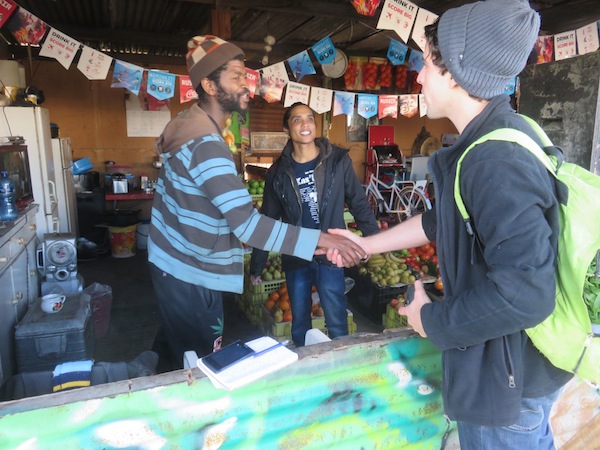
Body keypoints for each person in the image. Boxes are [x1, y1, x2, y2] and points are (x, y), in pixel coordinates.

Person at [327, 1, 572, 448]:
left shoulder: (497, 159)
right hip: (512, 367)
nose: (417, 76)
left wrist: (431, 319)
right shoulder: (501, 136)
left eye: (425, 63)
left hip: (508, 379)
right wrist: (367, 243)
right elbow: (447, 221)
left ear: (457, 73)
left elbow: (526, 294)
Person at [147, 36, 366, 371]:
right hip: (188, 272)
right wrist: (322, 240)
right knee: (201, 366)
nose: (246, 85)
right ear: (208, 85)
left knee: (178, 353)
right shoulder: (205, 145)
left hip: (176, 263)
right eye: (235, 77)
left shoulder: (189, 126)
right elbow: (249, 226)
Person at [249, 103, 380, 347]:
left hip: (331, 256)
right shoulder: (278, 174)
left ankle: (345, 371)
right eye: (297, 119)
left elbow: (358, 203)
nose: (305, 124)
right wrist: (257, 266)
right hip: (297, 256)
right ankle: (305, 368)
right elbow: (266, 221)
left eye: (309, 118)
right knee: (299, 322)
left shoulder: (337, 161)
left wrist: (373, 242)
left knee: (337, 320)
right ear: (287, 128)